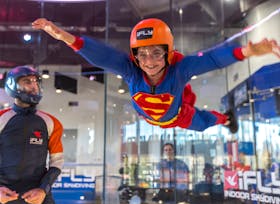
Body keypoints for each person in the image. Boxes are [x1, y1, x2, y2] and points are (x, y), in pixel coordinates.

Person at [32, 18, 280, 133]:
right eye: (143, 54)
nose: (149, 62)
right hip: (149, 118)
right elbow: (102, 55)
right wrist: (64, 36)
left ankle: (226, 119)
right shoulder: (131, 69)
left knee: (204, 124)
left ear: (168, 53)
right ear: (135, 56)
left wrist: (247, 51)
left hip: (177, 116)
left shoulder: (179, 70)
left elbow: (213, 59)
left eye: (156, 53)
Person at [0, 66, 64, 204]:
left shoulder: (52, 122)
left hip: (38, 198)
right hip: (3, 196)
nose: (34, 85)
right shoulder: (2, 118)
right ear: (12, 85)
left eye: (36, 81)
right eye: (27, 81)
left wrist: (43, 190)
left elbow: (57, 162)